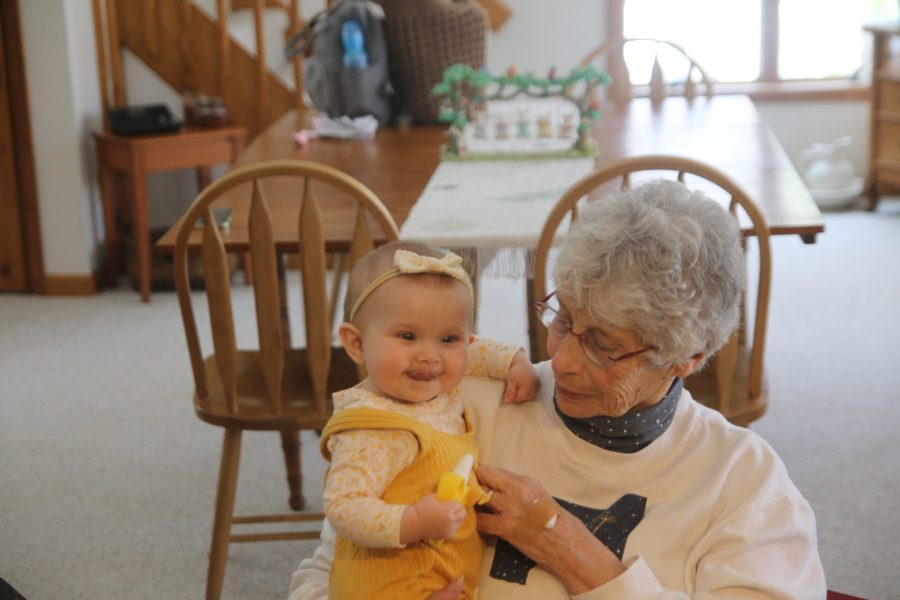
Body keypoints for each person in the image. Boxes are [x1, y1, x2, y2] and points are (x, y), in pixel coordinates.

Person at [289, 180, 826, 599]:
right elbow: (325, 568)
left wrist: (566, 546)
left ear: (688, 357)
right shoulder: (450, 402)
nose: (561, 360)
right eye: (563, 318)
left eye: (604, 346)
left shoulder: (743, 483)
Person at [319, 241, 539, 599]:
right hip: (386, 588)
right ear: (356, 343)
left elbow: (471, 349)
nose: (429, 356)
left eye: (447, 338)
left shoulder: (437, 391)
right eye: (407, 336)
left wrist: (514, 362)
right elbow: (343, 507)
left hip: (438, 577)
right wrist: (413, 522)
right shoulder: (372, 427)